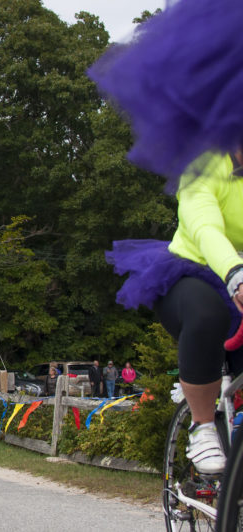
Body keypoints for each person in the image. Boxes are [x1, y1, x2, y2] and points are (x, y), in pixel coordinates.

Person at [106, 152, 243, 474]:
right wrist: (236, 275)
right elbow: (204, 226)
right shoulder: (206, 164)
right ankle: (202, 425)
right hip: (193, 272)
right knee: (207, 316)